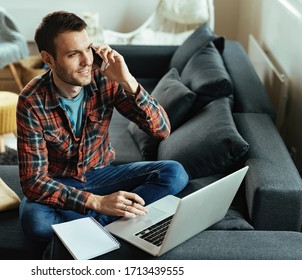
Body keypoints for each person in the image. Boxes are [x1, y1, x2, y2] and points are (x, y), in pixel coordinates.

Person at [16, 11, 189, 243]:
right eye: (73, 54)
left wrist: (127, 81)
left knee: (175, 173)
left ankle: (92, 226)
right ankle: (110, 222)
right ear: (48, 59)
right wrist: (96, 202)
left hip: (101, 174)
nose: (87, 61)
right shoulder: (31, 100)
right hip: (59, 181)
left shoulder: (106, 78)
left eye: (88, 48)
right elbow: (33, 181)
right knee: (37, 225)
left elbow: (161, 130)